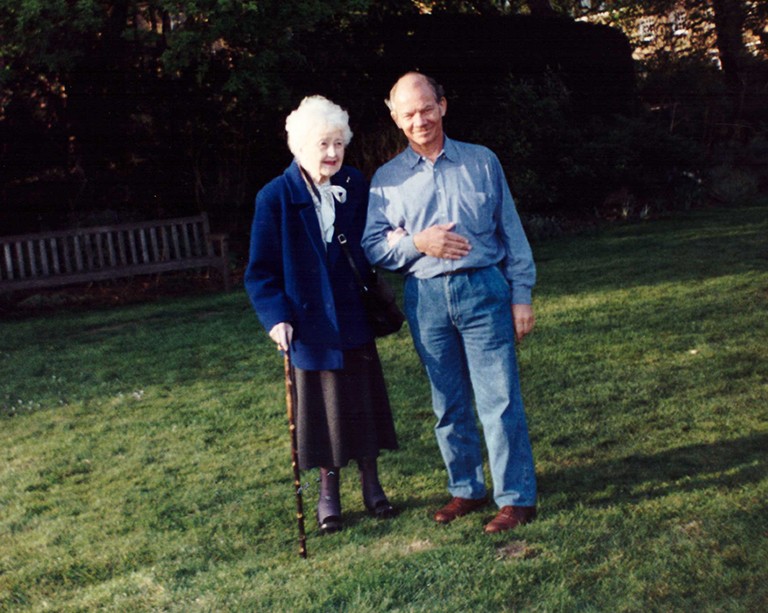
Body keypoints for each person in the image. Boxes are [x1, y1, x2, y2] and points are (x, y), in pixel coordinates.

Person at [362, 72, 537, 534]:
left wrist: (521, 295)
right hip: (427, 300)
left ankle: (516, 498)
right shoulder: (387, 180)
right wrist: (419, 242)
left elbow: (512, 234)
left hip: (485, 291)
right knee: (448, 402)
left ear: (442, 105)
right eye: (408, 113)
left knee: (499, 399)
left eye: (426, 108)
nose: (419, 120)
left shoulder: (482, 162)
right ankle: (466, 488)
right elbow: (374, 248)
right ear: (395, 117)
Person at [245, 95, 398, 534]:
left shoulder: (354, 183)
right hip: (308, 325)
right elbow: (260, 272)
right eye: (321, 145)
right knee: (323, 411)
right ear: (299, 147)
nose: (331, 154)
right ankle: (328, 492)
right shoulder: (274, 197)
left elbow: (373, 235)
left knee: (363, 404)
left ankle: (372, 484)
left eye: (338, 143)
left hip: (353, 317)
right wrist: (276, 317)